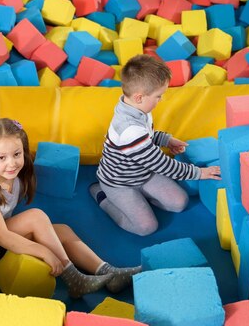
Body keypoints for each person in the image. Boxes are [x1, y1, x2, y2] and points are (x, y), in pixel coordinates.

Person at [0, 118, 141, 298]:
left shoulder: (14, 178)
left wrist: (39, 237)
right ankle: (73, 277)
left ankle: (109, 273)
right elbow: (1, 235)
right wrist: (45, 252)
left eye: (17, 154)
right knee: (36, 217)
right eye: (1, 157)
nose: (12, 163)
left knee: (62, 231)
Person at [90, 55, 222, 236]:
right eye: (158, 96)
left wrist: (166, 140)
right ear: (139, 97)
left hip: (143, 173)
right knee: (146, 227)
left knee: (179, 202)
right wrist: (199, 173)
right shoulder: (128, 128)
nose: (161, 100)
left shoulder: (136, 107)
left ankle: (141, 199)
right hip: (119, 183)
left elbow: (147, 137)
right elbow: (161, 164)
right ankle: (102, 195)